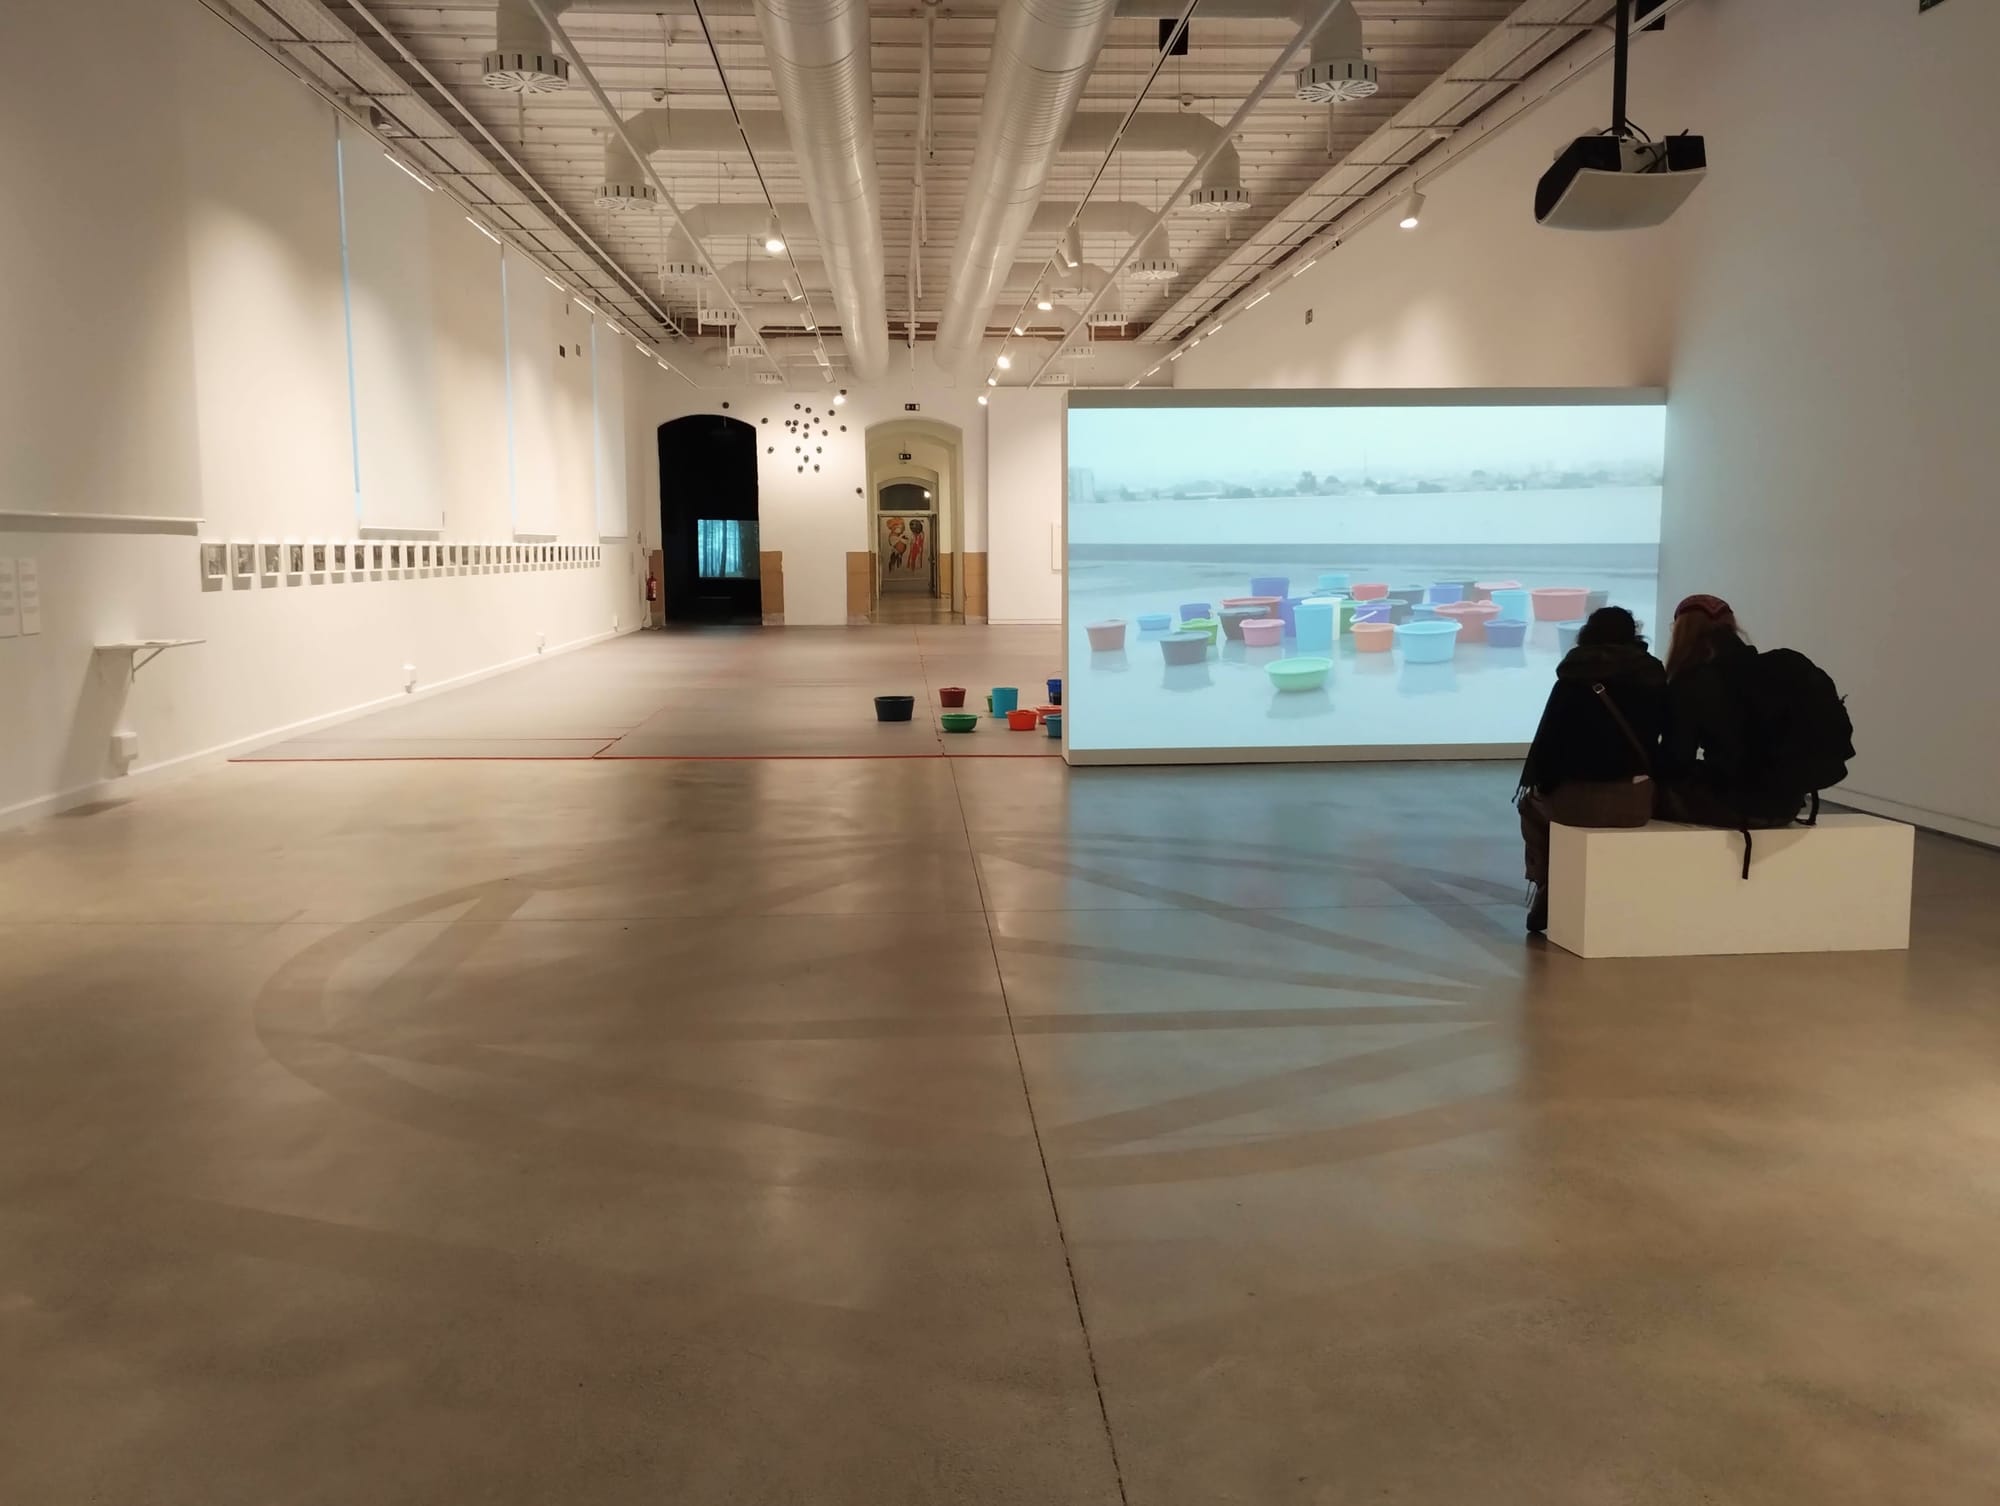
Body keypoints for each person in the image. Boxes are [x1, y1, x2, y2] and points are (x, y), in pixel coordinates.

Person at [1516, 606, 1667, 933]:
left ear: (1588, 633)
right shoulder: (1653, 676)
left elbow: (1550, 748)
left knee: (1530, 806)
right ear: (1635, 634)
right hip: (1635, 800)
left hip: (1574, 804)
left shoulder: (1572, 678)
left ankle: (1547, 885)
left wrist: (1544, 785)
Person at [1655, 593, 1806, 834]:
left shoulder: (1691, 681)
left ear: (1681, 630)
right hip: (1788, 803)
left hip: (1736, 804)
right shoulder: (1767, 669)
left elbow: (1677, 759)